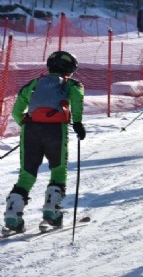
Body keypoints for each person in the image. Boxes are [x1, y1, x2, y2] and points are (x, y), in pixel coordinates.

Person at [2, 51, 85, 235]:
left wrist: (25, 123)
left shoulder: (34, 83)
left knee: (27, 173)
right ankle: (51, 212)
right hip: (56, 129)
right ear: (69, 70)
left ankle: (12, 215)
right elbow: (77, 100)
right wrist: (78, 122)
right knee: (58, 169)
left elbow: (17, 110)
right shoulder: (72, 84)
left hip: (30, 129)